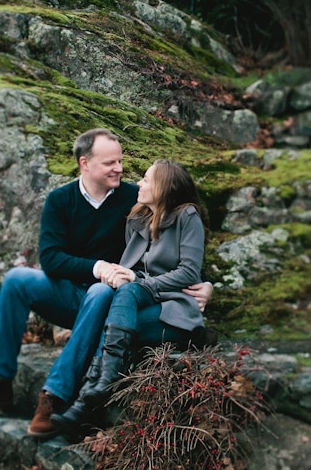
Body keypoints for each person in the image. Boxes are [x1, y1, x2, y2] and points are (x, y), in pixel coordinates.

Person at [0, 129, 213, 438]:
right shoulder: (61, 200)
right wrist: (97, 267)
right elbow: (50, 259)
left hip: (108, 298)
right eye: (109, 163)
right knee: (17, 278)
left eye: (120, 161)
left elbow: (177, 233)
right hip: (72, 293)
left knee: (101, 291)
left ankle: (54, 398)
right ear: (84, 163)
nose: (119, 169)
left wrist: (205, 284)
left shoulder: (135, 197)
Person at [51, 159, 209, 440]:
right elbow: (132, 269)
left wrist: (140, 282)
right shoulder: (138, 219)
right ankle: (94, 393)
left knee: (120, 302)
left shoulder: (187, 216)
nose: (139, 183)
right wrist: (124, 276)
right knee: (116, 304)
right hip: (139, 305)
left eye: (146, 179)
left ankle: (90, 397)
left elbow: (188, 272)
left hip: (174, 310)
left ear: (164, 186)